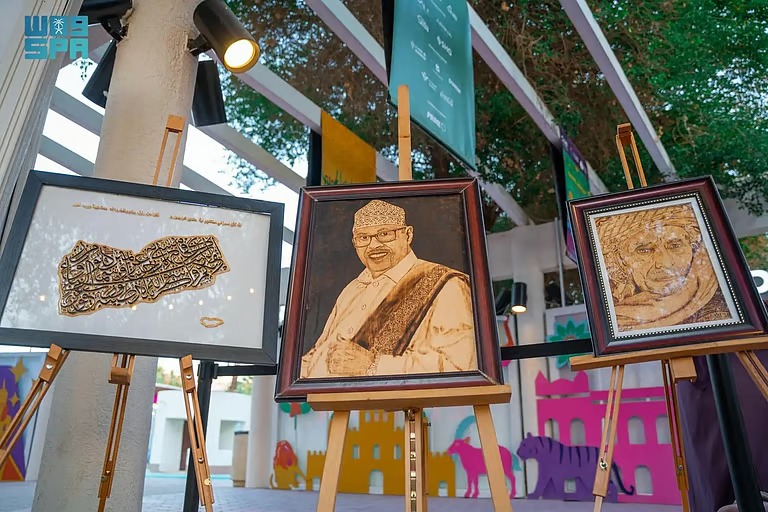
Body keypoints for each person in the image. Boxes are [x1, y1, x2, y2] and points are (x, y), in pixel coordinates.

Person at [300, 199, 476, 378]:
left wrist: (373, 365)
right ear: (354, 242)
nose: (373, 245)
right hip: (321, 395)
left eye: (384, 234)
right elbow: (317, 353)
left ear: (408, 235)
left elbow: (459, 365)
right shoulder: (352, 290)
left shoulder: (447, 285)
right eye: (363, 238)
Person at [594, 203, 735, 332]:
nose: (666, 263)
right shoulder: (614, 320)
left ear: (692, 248)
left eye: (675, 246)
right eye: (644, 250)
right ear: (620, 261)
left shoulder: (722, 310)